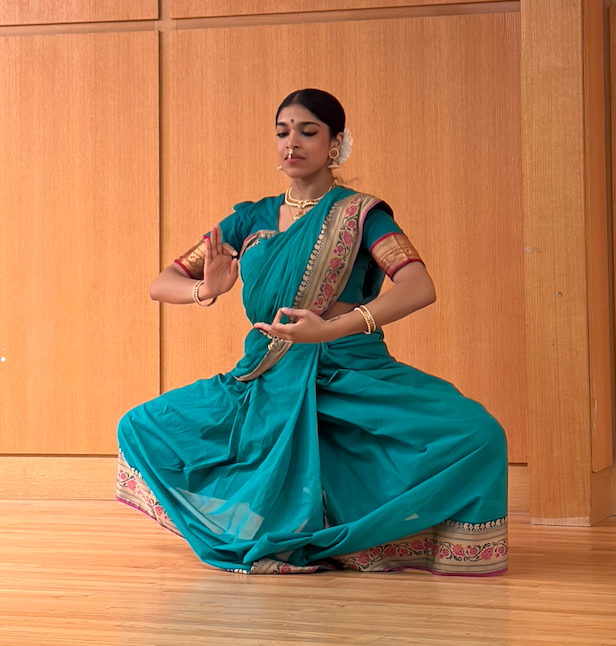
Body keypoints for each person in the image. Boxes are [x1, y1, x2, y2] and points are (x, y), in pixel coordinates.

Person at [117, 89, 508, 575]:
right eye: (282, 132)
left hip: (351, 368)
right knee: (141, 425)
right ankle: (279, 536)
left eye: (307, 131)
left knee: (479, 434)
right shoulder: (249, 219)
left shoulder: (362, 214)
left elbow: (418, 286)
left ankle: (389, 540)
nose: (291, 143)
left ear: (335, 142)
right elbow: (162, 283)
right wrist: (207, 290)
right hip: (267, 372)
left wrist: (331, 329)